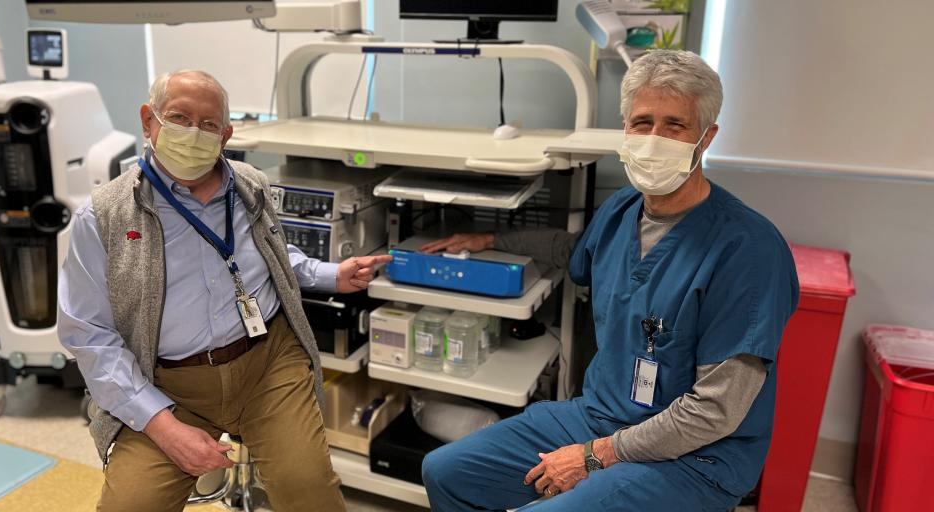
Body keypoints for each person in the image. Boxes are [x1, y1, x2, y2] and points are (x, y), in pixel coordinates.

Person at [419, 50, 800, 511]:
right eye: (642, 122)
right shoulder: (622, 211)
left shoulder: (748, 250)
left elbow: (715, 411)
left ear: (706, 137)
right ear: (625, 129)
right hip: (600, 417)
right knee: (447, 472)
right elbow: (572, 251)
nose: (654, 138)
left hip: (695, 457)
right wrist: (490, 237)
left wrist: (596, 456)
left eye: (675, 126)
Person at [58, 69, 390, 511]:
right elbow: (89, 336)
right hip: (166, 383)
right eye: (178, 117)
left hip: (267, 364)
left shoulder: (251, 185)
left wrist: (330, 274)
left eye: (209, 124)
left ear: (226, 135)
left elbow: (268, 254)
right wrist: (160, 424)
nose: (193, 133)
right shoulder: (104, 216)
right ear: (148, 121)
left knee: (308, 490)